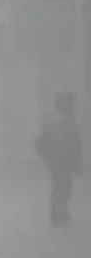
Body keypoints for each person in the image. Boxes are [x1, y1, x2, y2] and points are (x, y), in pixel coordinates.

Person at [35, 91, 84, 227]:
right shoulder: (54, 119)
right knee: (59, 185)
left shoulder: (69, 120)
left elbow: (75, 142)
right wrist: (46, 153)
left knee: (66, 186)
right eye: (68, 104)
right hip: (56, 160)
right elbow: (43, 139)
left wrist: (77, 162)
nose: (71, 107)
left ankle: (62, 211)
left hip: (64, 160)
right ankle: (56, 214)